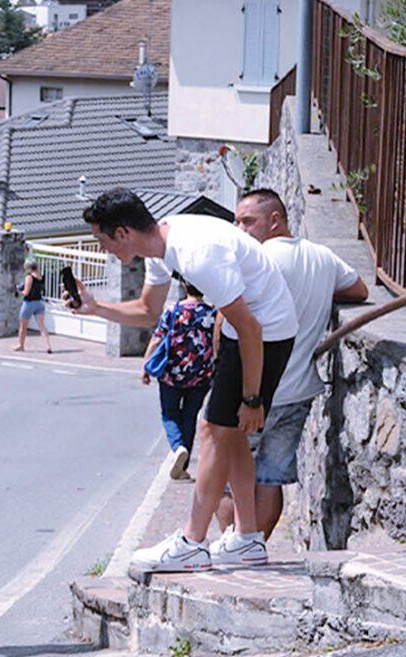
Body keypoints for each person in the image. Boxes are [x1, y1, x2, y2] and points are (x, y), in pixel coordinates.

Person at [68, 188, 298, 572]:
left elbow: (251, 327)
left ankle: (192, 542)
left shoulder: (196, 253)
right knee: (228, 432)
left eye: (102, 239)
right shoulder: (161, 246)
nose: (103, 248)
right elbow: (147, 311)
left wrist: (253, 399)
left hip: (265, 334)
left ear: (123, 232)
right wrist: (95, 308)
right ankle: (247, 539)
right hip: (243, 333)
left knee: (211, 429)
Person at [216, 188, 369, 535]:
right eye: (237, 221)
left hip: (251, 392)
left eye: (248, 221)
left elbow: (227, 322)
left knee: (227, 477)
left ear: (275, 220)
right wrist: (316, 291)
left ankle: (231, 545)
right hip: (298, 391)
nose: (241, 230)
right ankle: (256, 548)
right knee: (271, 478)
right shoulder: (322, 258)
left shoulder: (256, 261)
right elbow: (360, 291)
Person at [141, 282, 217, 480]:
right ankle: (182, 466)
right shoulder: (213, 314)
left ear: (184, 285)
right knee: (190, 416)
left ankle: (178, 448)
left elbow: (157, 338)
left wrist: (146, 365)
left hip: (171, 374)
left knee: (169, 414)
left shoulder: (173, 310)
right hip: (201, 374)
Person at [15, 260, 53, 353]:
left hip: (29, 303)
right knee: (42, 326)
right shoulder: (41, 277)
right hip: (39, 302)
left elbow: (26, 292)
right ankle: (48, 346)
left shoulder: (29, 277)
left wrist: (19, 290)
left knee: (23, 326)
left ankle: (21, 345)